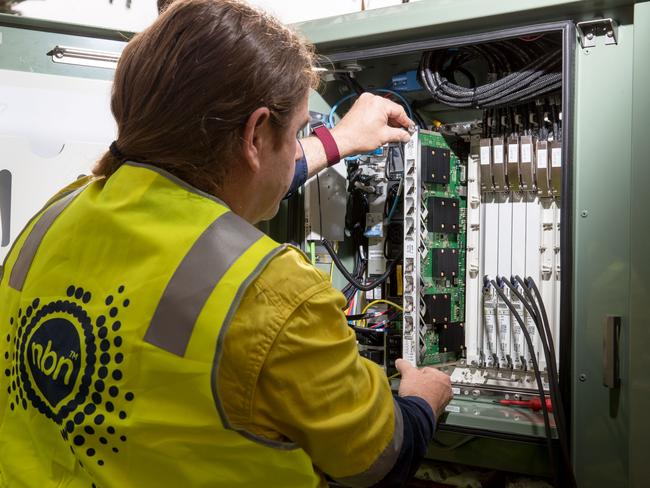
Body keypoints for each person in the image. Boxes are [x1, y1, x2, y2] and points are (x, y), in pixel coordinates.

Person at [0, 0, 452, 487]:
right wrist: (421, 399)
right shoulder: (273, 294)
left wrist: (336, 140)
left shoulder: (55, 214)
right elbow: (378, 459)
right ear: (255, 134)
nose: (301, 143)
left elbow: (214, 181)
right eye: (299, 130)